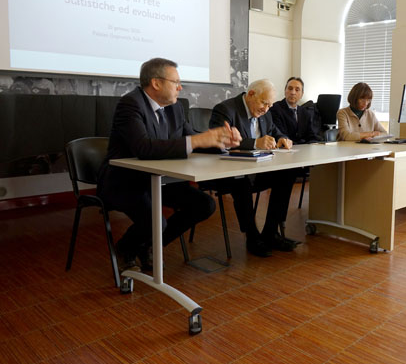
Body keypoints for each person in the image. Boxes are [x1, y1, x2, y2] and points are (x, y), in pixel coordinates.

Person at [97, 58, 241, 272]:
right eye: (176, 82)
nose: (180, 88)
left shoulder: (175, 108)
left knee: (204, 204)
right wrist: (199, 140)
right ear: (156, 83)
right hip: (125, 182)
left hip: (160, 180)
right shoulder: (130, 104)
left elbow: (192, 139)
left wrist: (221, 142)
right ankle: (126, 247)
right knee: (157, 222)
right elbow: (143, 148)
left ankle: (148, 245)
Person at [205, 79, 299, 257]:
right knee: (241, 181)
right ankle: (252, 236)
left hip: (257, 170)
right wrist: (255, 143)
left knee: (287, 174)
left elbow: (274, 131)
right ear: (251, 94)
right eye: (264, 103)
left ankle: (271, 233)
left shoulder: (266, 113)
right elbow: (220, 141)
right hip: (229, 172)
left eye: (270, 105)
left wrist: (282, 138)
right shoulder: (225, 109)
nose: (266, 109)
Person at [269, 77, 322, 144]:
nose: (293, 92)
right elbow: (280, 135)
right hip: (285, 147)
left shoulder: (305, 112)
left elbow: (311, 135)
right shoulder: (275, 108)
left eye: (297, 90)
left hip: (303, 148)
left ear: (302, 94)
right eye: (290, 89)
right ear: (285, 91)